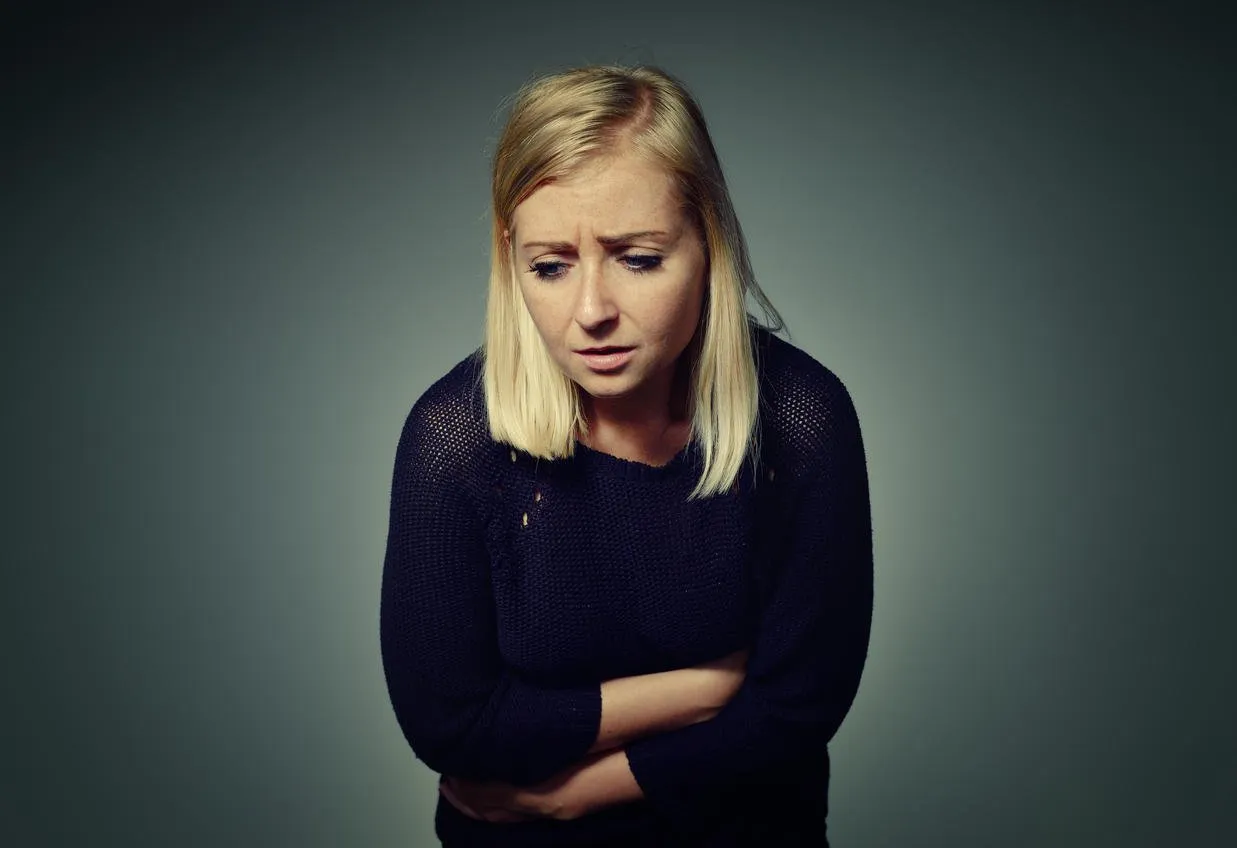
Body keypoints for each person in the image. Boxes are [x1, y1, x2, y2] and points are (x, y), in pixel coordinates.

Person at [379, 64, 873, 847]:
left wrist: (574, 794)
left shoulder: (800, 420)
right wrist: (706, 687)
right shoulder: (454, 441)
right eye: (549, 265)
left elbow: (801, 706)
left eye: (637, 258)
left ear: (707, 244)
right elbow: (454, 726)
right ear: (509, 259)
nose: (590, 313)